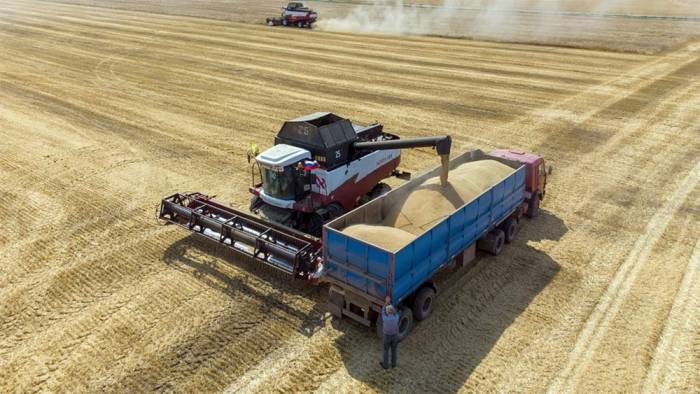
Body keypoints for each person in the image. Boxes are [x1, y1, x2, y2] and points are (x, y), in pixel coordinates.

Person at [380, 296, 399, 369]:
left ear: (387, 312)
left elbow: (382, 311)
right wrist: (390, 304)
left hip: (386, 336)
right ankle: (393, 365)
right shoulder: (396, 318)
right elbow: (395, 312)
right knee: (394, 350)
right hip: (394, 336)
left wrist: (386, 303)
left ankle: (385, 365)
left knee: (385, 350)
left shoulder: (385, 318)